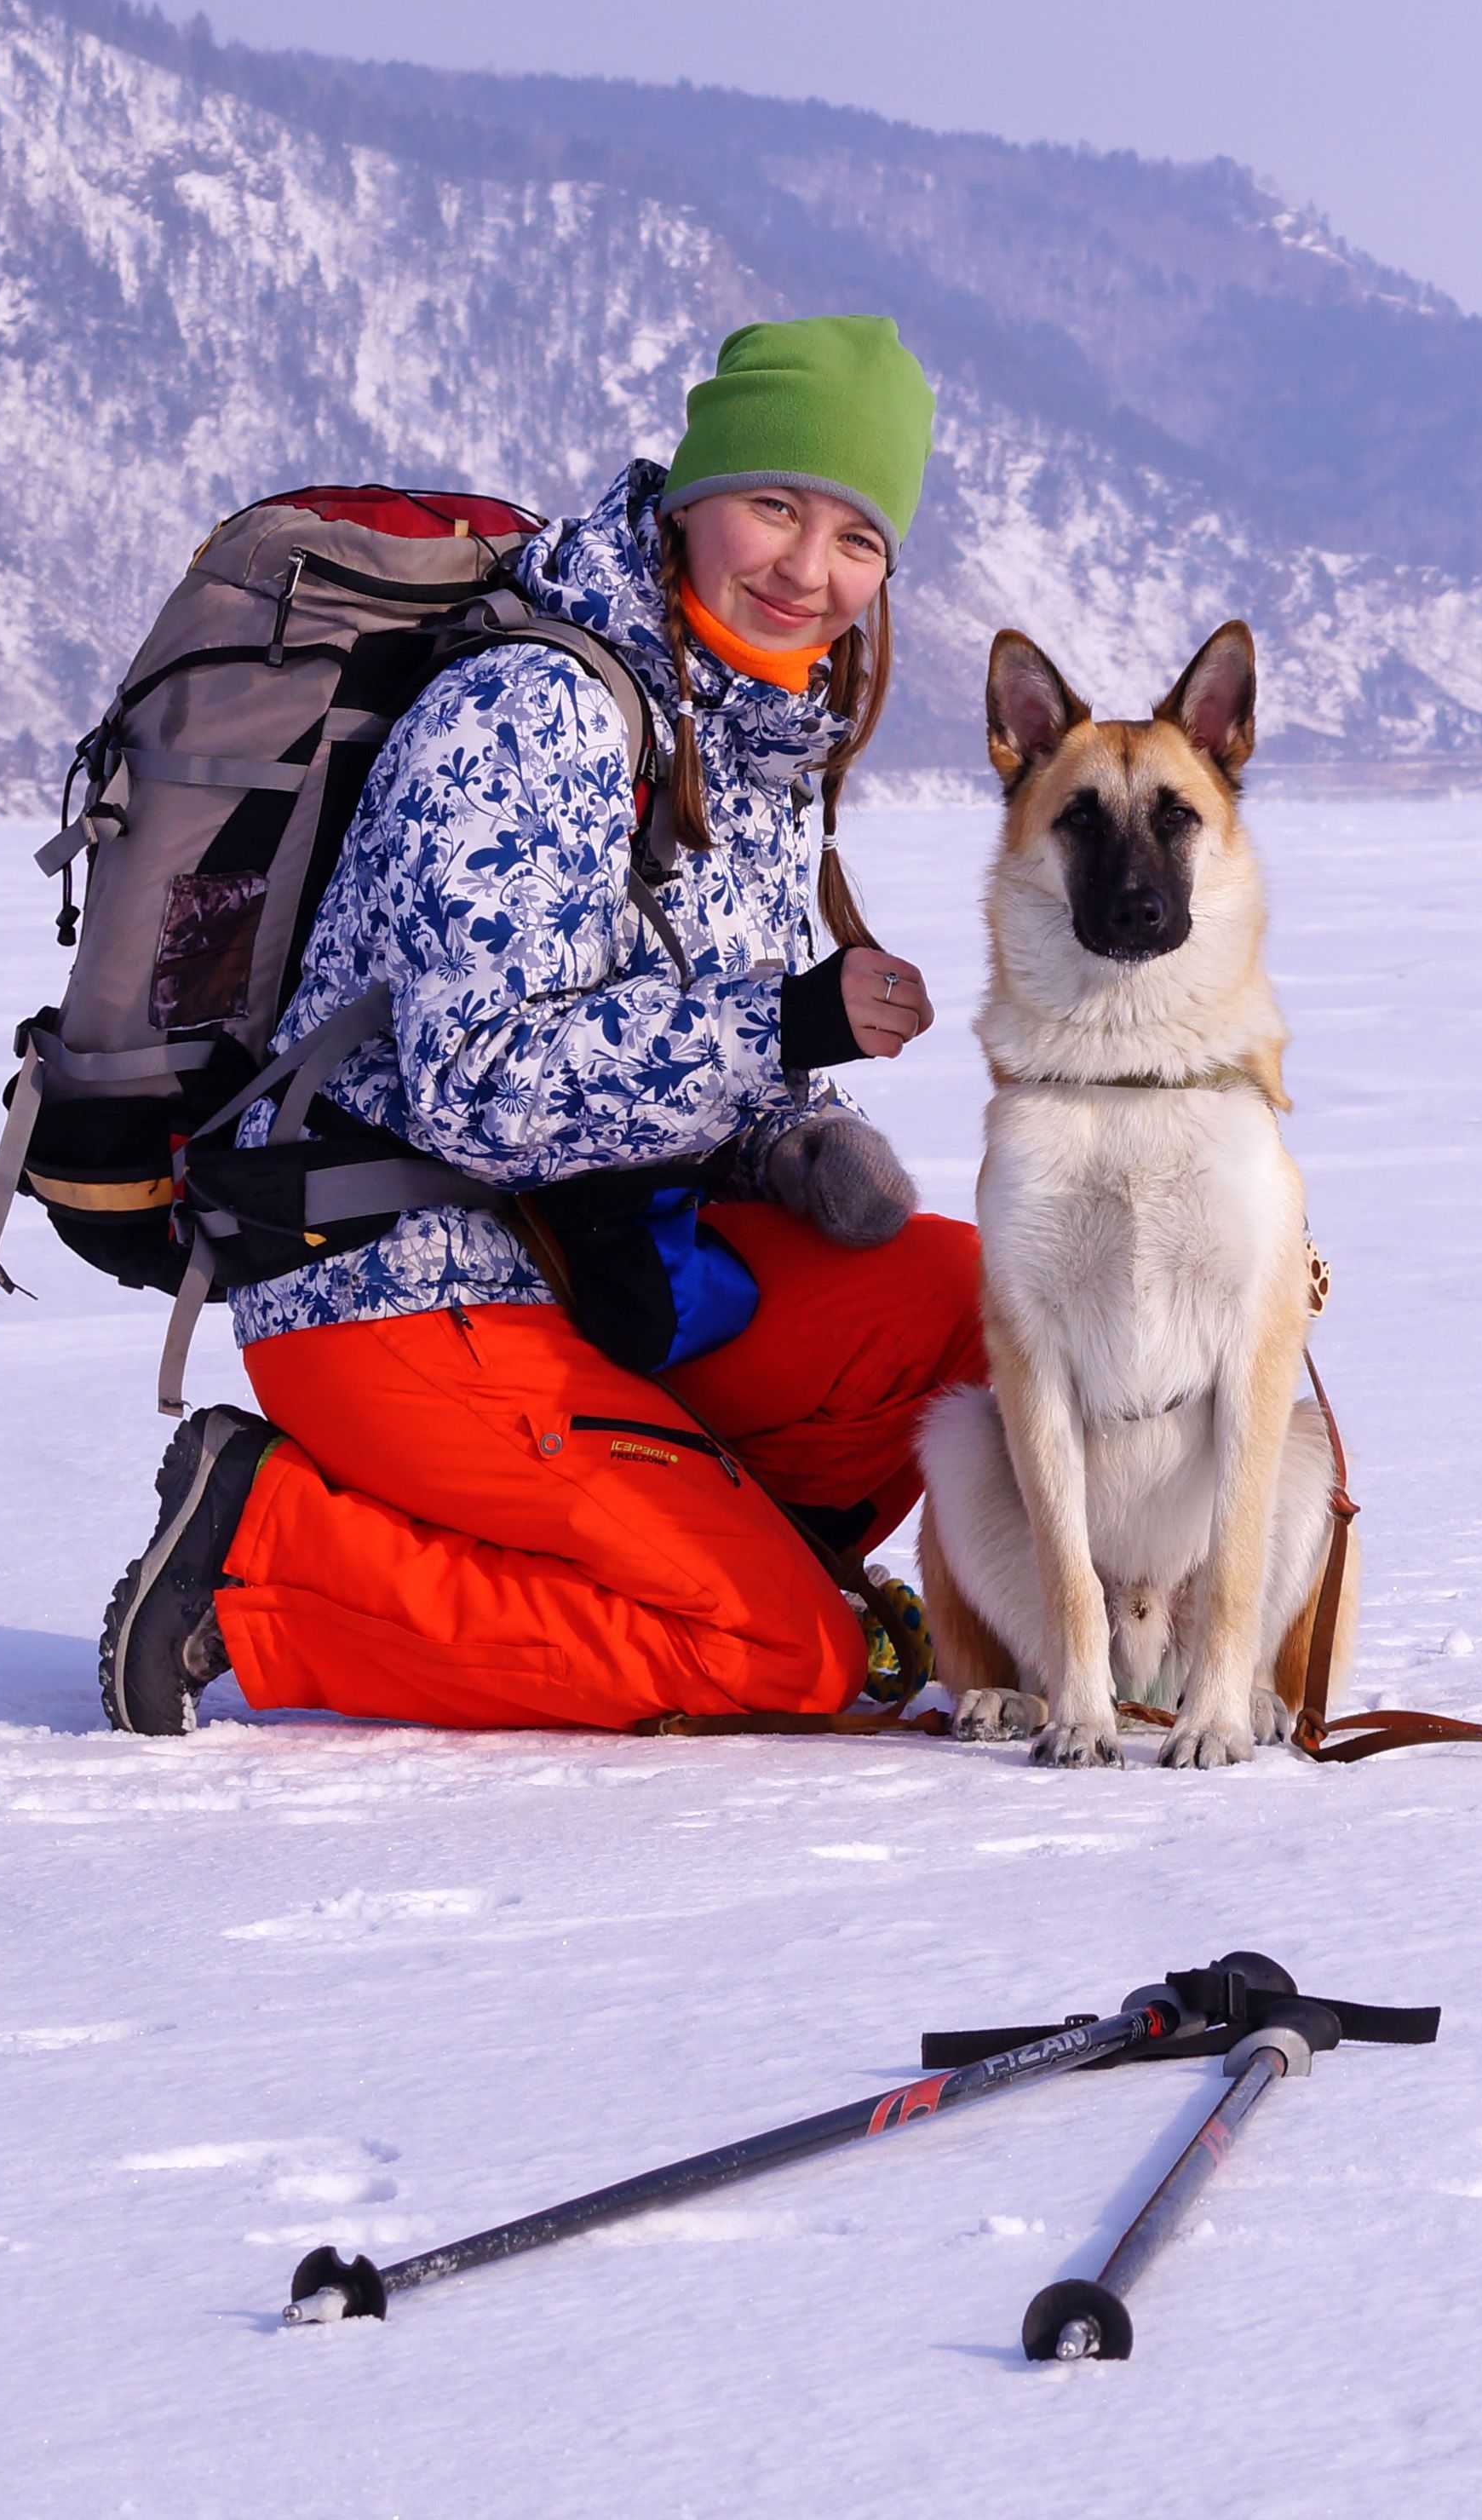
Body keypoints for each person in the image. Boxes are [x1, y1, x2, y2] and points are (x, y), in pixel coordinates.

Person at [96, 315, 983, 1736]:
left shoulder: (748, 738)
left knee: (988, 1307)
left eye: (858, 538)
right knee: (786, 1662)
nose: (808, 572)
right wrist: (787, 1026)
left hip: (593, 1259)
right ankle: (262, 1557)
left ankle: (736, 1555)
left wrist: (799, 1133)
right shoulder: (534, 709)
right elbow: (476, 1086)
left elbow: (673, 1039)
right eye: (773, 505)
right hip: (389, 1277)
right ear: (690, 502)